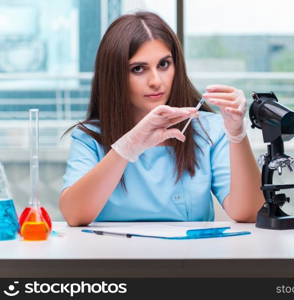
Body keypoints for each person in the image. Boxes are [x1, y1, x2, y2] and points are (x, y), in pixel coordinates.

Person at [59, 11, 264, 226]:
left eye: (164, 64)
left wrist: (237, 134)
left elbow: (248, 212)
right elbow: (75, 215)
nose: (156, 81)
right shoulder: (90, 136)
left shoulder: (209, 129)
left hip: (189, 256)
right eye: (138, 69)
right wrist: (127, 147)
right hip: (116, 257)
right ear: (115, 76)